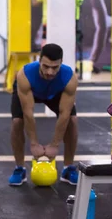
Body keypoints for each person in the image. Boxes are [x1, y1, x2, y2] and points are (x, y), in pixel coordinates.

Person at [8, 43, 79, 186]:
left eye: (55, 68)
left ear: (61, 63)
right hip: (31, 91)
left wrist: (54, 145)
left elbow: (64, 114)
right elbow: (28, 113)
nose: (50, 72)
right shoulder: (25, 75)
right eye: (46, 66)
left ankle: (68, 168)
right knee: (17, 122)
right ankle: (19, 168)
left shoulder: (69, 78)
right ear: (39, 61)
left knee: (72, 120)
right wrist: (34, 144)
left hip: (55, 92)